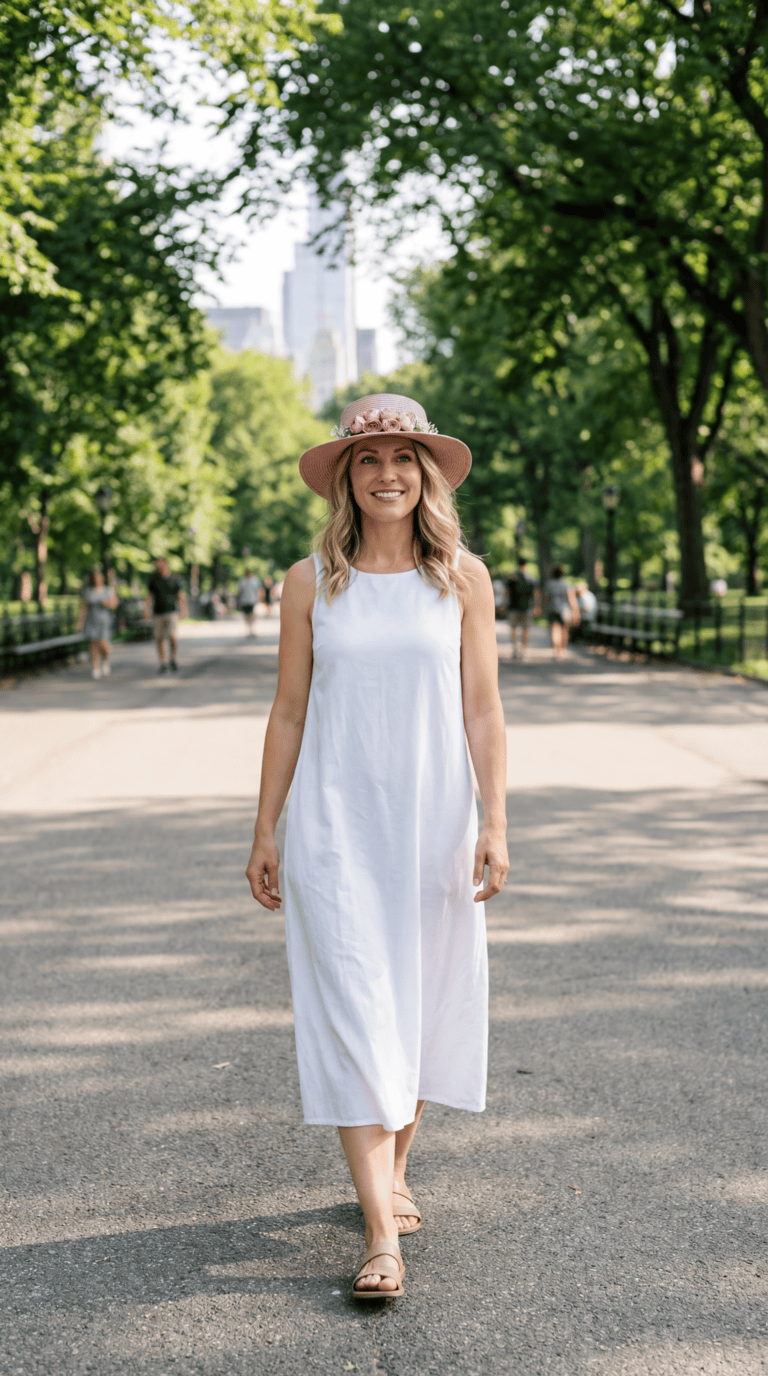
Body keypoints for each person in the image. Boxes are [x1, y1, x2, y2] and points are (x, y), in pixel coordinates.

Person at [245, 393, 509, 1301]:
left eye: (404, 458)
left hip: (435, 819)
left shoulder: (462, 579)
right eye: (370, 460)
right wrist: (265, 827)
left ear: (425, 474)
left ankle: (395, 1168)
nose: (388, 473)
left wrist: (496, 822)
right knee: (357, 1005)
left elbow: (483, 709)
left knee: (423, 997)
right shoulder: (309, 583)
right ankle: (377, 1236)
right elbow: (288, 711)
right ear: (346, 480)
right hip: (334, 825)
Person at [145, 557, 187, 674]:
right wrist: (147, 610)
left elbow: (180, 594)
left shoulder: (174, 579)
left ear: (166, 565)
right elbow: (149, 595)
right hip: (158, 613)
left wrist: (183, 609)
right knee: (159, 638)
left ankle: (173, 659)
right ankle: (162, 662)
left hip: (171, 611)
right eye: (158, 567)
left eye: (161, 566)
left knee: (172, 636)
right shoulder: (154, 579)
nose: (160, 569)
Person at [76, 568, 118, 679]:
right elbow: (84, 608)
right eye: (95, 577)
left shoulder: (108, 590)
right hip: (91, 620)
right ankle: (96, 667)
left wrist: (106, 603)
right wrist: (80, 622)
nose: (97, 579)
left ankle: (105, 660)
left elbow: (114, 605)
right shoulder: (88, 591)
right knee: (93, 644)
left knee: (104, 644)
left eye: (99, 577)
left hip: (104, 620)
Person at [544, 564, 580, 660]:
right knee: (564, 630)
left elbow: (545, 598)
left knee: (554, 630)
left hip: (552, 609)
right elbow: (572, 599)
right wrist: (576, 612)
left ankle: (556, 650)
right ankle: (562, 650)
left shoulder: (549, 585)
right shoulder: (567, 585)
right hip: (565, 611)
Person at [506, 557, 537, 659]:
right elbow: (536, 594)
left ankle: (515, 648)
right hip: (527, 607)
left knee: (513, 628)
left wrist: (506, 603)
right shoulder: (531, 579)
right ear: (526, 565)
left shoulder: (511, 578)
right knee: (525, 629)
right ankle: (523, 650)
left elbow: (507, 592)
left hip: (514, 606)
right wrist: (536, 606)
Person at [237, 568, 262, 636]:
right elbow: (239, 591)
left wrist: (259, 599)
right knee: (246, 615)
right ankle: (248, 629)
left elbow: (259, 590)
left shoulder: (255, 581)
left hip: (252, 600)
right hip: (244, 600)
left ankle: (251, 630)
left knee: (251, 614)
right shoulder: (242, 581)